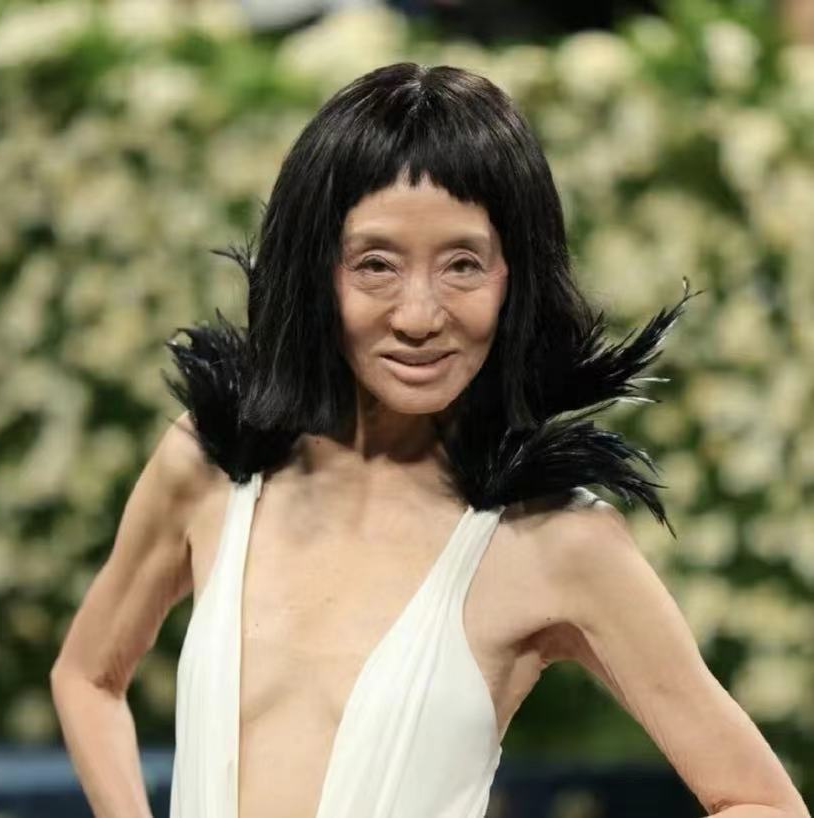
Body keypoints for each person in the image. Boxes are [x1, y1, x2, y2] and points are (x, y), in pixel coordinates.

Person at [50, 63, 809, 818]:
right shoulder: (208, 467)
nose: (418, 316)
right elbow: (86, 678)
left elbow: (762, 804)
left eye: (462, 266)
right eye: (376, 265)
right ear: (315, 272)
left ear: (515, 280)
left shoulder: (557, 543)